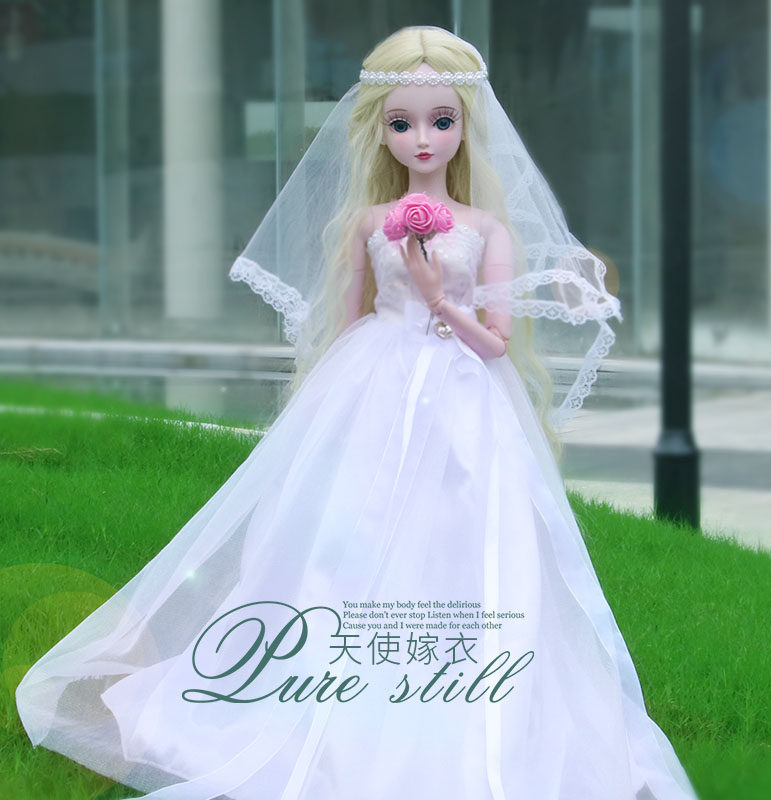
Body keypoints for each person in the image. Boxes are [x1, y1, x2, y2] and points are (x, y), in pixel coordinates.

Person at [15, 26, 699, 800]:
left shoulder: (487, 230)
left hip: (465, 395)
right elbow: (346, 325)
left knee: (464, 529)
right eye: (403, 122)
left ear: (466, 127)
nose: (423, 138)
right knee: (345, 530)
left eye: (441, 121)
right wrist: (323, 415)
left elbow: (497, 341)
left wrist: (442, 300)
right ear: (380, 129)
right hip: (372, 380)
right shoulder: (369, 224)